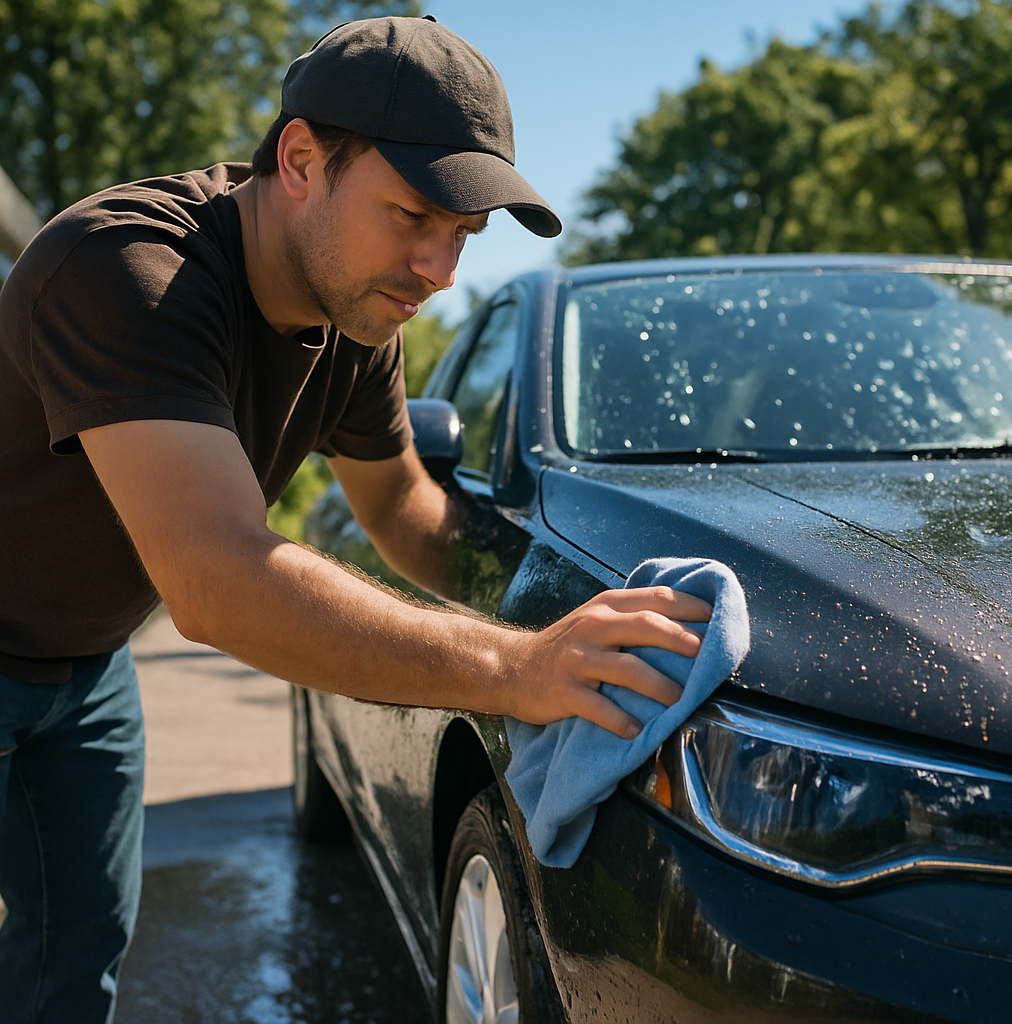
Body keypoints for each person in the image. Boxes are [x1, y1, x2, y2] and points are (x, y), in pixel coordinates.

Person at [0, 15, 710, 1024]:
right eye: (412, 214)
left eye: (461, 236)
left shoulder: (356, 317)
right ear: (299, 159)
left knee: (71, 963)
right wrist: (517, 668)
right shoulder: (125, 271)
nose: (439, 270)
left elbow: (408, 511)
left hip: (83, 669)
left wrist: (584, 603)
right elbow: (218, 582)